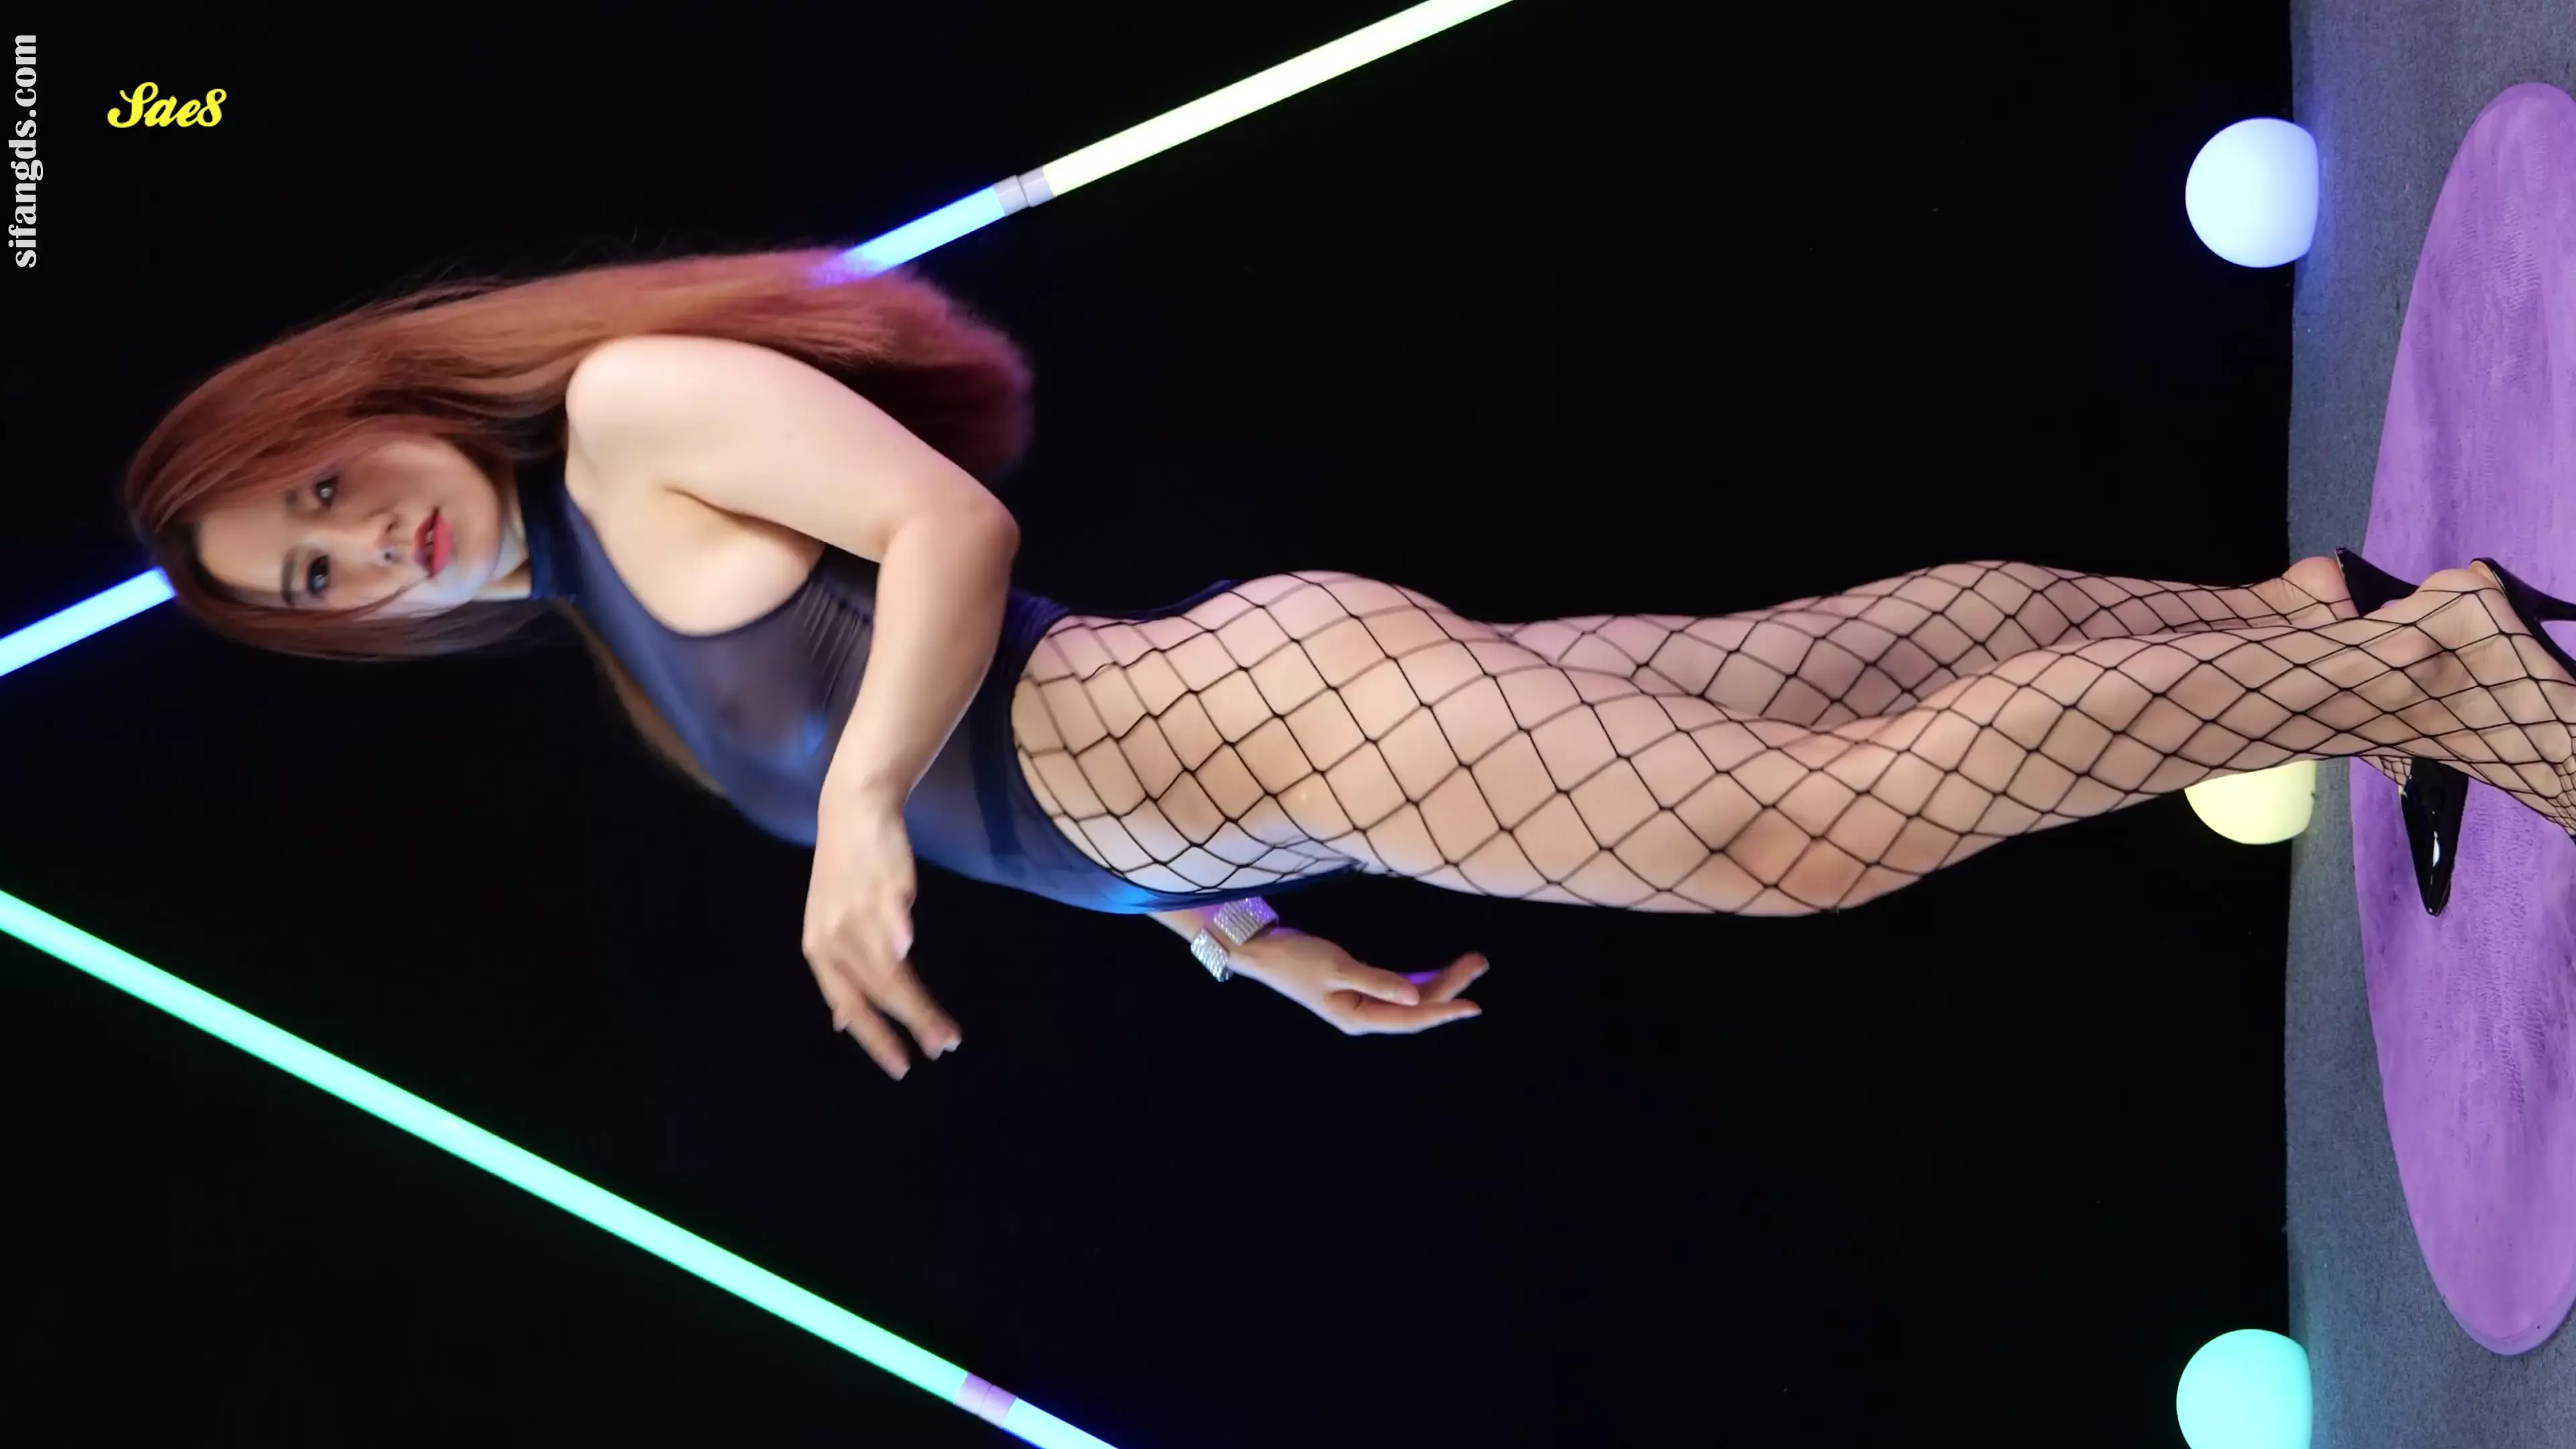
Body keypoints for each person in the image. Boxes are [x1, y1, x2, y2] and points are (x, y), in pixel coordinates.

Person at [122, 248, 2576, 1082]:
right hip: (1263, 771)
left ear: (362, 403)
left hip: (1266, 710)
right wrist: (1230, 931)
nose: (365, 546)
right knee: (1810, 688)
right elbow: (996, 792)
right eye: (314, 582)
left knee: (1803, 831)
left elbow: (950, 539)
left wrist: (856, 810)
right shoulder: (608, 625)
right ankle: (2313, 637)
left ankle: (2439, 672)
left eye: (320, 489)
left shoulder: (630, 417)